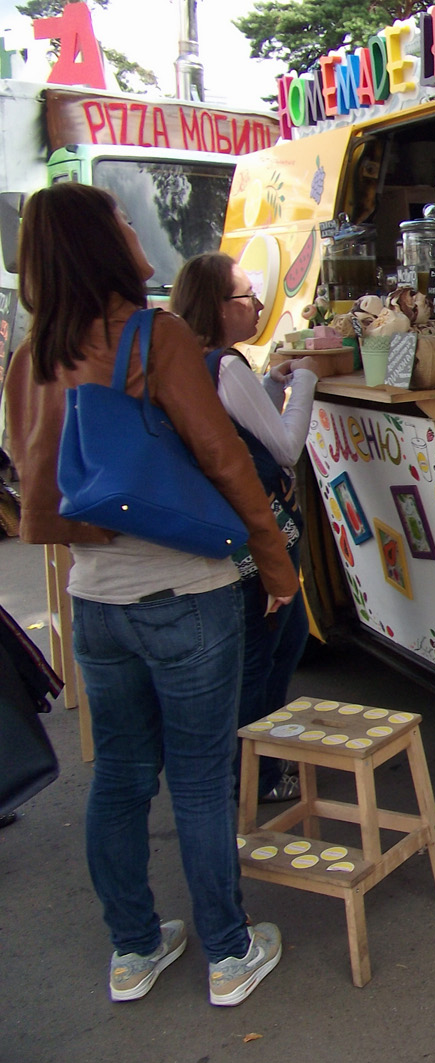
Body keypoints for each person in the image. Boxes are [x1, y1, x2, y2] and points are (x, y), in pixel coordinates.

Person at [0, 183, 293, 1007]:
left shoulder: (32, 352)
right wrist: (274, 562)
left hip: (94, 599)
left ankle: (133, 948)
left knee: (121, 776)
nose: (135, 228)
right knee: (199, 779)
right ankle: (229, 954)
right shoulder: (152, 333)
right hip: (187, 589)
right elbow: (224, 458)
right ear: (102, 241)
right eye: (123, 219)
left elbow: (35, 474)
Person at [171, 252, 321, 804]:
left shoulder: (204, 361)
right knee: (265, 647)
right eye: (246, 297)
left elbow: (239, 421)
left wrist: (271, 382)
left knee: (286, 637)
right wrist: (306, 379)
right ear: (217, 306)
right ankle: (250, 773)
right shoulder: (224, 364)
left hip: (239, 528)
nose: (258, 305)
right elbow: (283, 447)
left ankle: (261, 760)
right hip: (259, 530)